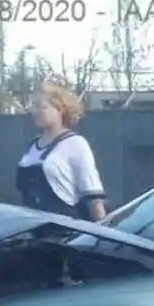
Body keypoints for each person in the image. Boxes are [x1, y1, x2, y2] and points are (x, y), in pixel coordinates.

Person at [15, 83, 106, 219]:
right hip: (34, 229)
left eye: (41, 107)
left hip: (66, 232)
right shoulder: (32, 146)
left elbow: (94, 198)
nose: (35, 111)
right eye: (33, 107)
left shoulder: (75, 143)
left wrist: (103, 232)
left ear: (60, 109)